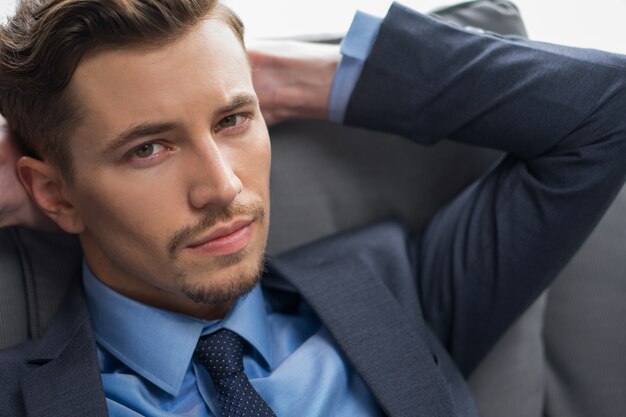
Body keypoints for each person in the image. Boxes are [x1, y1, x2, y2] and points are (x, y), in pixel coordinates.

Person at [0, 0, 625, 416]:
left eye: (233, 120)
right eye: (148, 149)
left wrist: (302, 79)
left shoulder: (396, 292)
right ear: (54, 192)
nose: (222, 188)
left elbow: (608, 111)